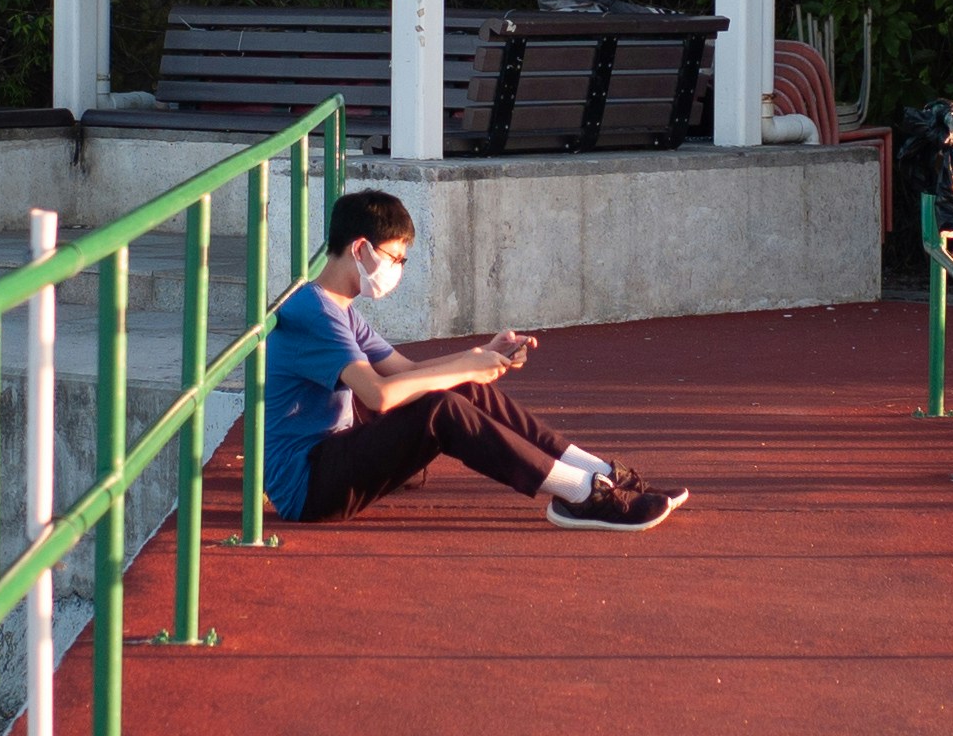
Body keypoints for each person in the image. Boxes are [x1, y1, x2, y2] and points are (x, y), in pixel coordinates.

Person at [261, 190, 686, 529]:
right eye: (395, 258)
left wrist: (479, 355)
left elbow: (407, 372)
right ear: (360, 249)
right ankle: (580, 493)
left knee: (457, 387)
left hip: (332, 457)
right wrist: (466, 366)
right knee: (439, 408)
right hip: (308, 487)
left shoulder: (337, 309)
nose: (398, 269)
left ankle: (599, 472)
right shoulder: (313, 314)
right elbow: (378, 394)